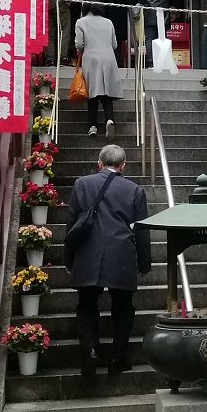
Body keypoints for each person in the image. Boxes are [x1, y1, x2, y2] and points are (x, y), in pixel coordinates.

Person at [65, 144, 151, 375]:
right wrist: (144, 263)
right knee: (123, 307)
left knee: (86, 305)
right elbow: (141, 230)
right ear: (123, 166)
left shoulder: (81, 184)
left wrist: (69, 260)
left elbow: (72, 223)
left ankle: (91, 350)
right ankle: (117, 358)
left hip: (87, 252)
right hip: (121, 254)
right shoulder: (135, 190)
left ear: (99, 163)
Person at [74, 2, 122, 139]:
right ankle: (110, 120)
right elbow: (114, 44)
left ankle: (93, 126)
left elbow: (79, 44)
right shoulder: (108, 22)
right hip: (108, 59)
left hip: (91, 59)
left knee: (92, 93)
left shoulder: (81, 22)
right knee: (107, 94)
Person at [88, 0, 135, 65]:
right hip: (119, 16)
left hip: (100, 15)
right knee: (116, 41)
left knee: (99, 41)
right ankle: (115, 63)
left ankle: (100, 63)